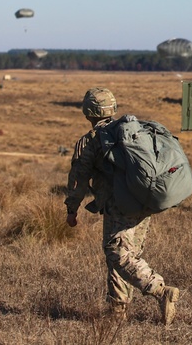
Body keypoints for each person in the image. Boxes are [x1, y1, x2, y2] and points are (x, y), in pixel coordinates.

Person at [64, 87, 181, 325]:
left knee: (116, 253)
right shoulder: (130, 133)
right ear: (113, 108)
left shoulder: (91, 141)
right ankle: (118, 312)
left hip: (119, 206)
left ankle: (161, 290)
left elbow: (78, 180)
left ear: (88, 112)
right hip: (143, 201)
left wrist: (71, 209)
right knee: (128, 255)